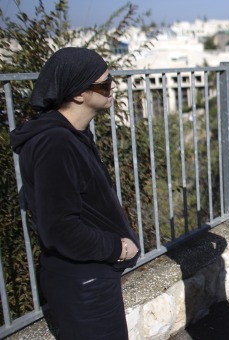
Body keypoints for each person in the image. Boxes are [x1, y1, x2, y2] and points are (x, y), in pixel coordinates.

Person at [10, 47, 140, 339]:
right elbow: (60, 228)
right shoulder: (55, 144)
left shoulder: (73, 135)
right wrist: (117, 248)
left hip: (91, 278)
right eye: (105, 84)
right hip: (84, 285)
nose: (113, 87)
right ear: (79, 94)